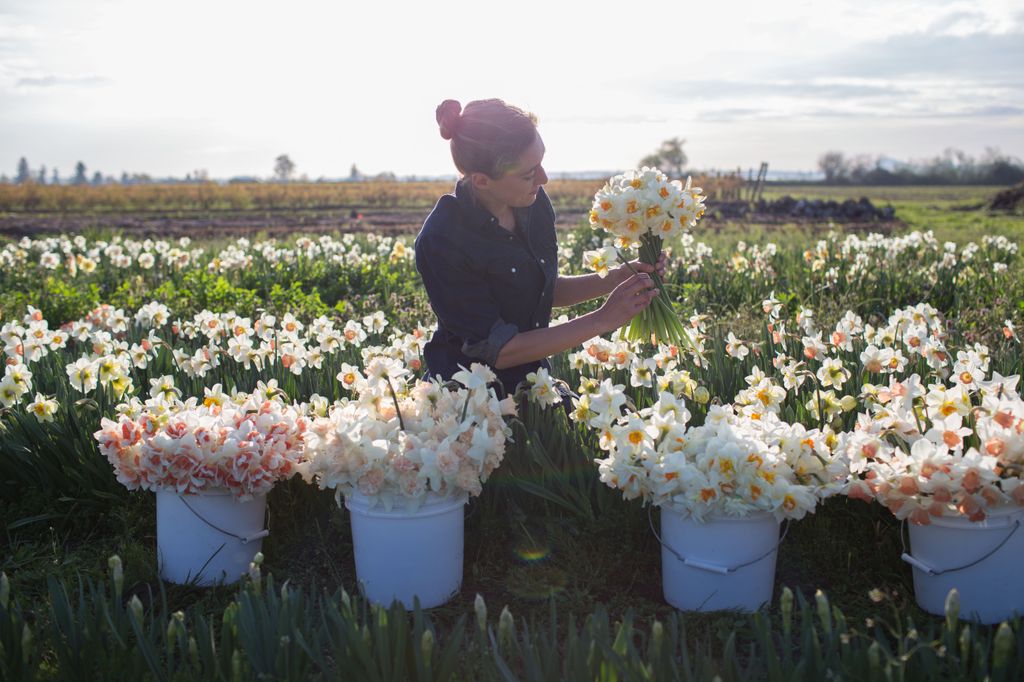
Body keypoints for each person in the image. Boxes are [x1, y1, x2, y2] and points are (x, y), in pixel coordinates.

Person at [415, 98, 664, 397]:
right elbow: (500, 351)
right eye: (528, 173)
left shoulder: (531, 204)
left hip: (534, 383)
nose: (543, 178)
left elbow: (536, 289)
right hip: (468, 396)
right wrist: (603, 319)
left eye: (541, 162)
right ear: (482, 180)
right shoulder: (443, 239)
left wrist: (617, 278)